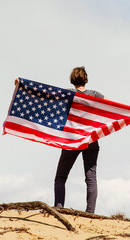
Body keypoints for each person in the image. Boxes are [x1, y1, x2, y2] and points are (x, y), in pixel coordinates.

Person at [54, 66, 108, 213]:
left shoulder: (68, 94)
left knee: (60, 177)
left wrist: (20, 85)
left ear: (72, 79)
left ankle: (58, 209)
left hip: (72, 140)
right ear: (86, 79)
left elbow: (47, 96)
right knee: (91, 178)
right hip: (91, 140)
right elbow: (111, 108)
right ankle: (90, 213)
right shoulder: (95, 94)